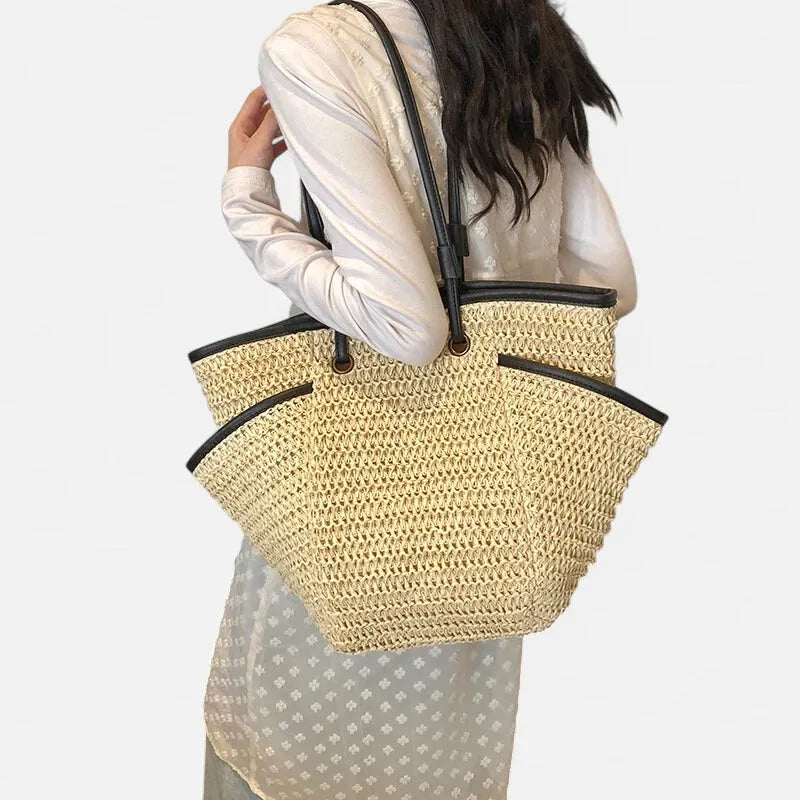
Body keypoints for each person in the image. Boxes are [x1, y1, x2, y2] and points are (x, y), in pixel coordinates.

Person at [203, 1, 637, 798]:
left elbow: (407, 328)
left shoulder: (316, 48)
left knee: (289, 764)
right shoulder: (517, 33)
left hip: (347, 507)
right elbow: (609, 286)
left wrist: (249, 205)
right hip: (490, 523)